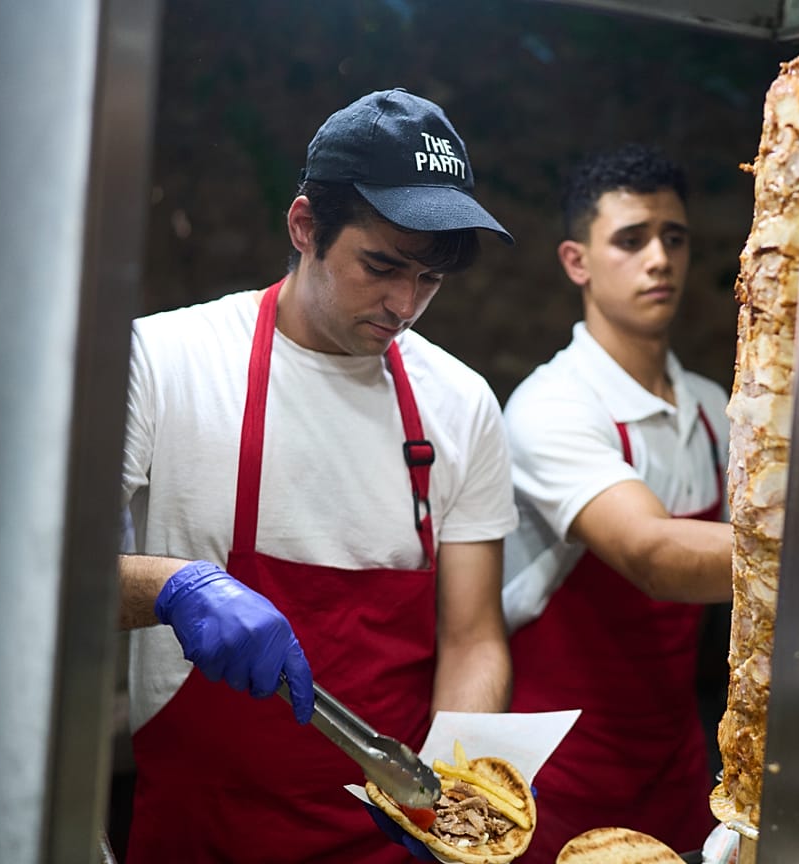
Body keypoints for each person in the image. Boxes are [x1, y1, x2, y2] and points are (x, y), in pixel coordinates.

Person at [116, 88, 518, 863]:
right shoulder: (168, 362)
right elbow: (49, 585)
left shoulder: (462, 404)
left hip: (382, 842)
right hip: (203, 836)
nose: (404, 304)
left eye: (430, 279)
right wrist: (174, 587)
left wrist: (453, 798)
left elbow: (472, 639)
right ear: (305, 226)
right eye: (382, 266)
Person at [501, 144, 733, 859]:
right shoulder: (554, 404)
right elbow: (654, 556)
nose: (659, 259)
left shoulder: (711, 409)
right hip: (560, 784)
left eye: (675, 237)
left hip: (679, 772)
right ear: (578, 261)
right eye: (631, 240)